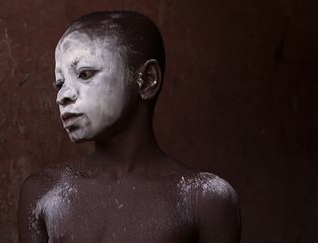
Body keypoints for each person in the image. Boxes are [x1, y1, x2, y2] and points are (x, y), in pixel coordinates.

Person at [18, 11, 241, 243]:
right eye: (59, 83)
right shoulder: (43, 194)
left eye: (85, 74)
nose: (63, 95)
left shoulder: (206, 200)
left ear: (146, 80)